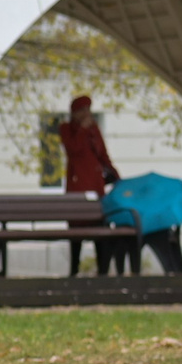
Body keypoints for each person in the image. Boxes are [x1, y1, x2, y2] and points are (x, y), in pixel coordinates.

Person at [57, 94, 118, 276]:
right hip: (78, 187)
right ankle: (74, 270)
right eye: (82, 110)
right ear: (74, 113)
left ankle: (103, 271)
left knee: (100, 230)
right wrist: (82, 130)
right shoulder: (66, 129)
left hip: (96, 186)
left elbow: (103, 155)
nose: (86, 114)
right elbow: (72, 149)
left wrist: (115, 175)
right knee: (77, 231)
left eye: (88, 110)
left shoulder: (94, 129)